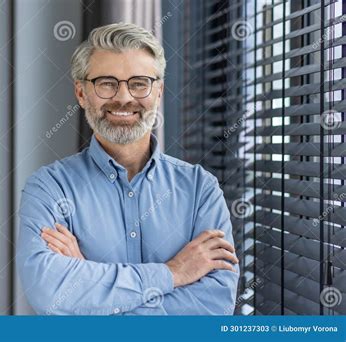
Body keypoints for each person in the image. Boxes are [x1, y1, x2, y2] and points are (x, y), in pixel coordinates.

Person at [16, 22, 239, 315]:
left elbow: (214, 305)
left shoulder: (200, 189)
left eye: (139, 83)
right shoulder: (48, 188)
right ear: (82, 93)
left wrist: (90, 292)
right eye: (107, 83)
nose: (123, 98)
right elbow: (51, 294)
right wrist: (173, 273)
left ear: (158, 91)